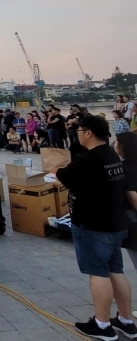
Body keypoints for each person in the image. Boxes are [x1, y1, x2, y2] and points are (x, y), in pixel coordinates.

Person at [56, 116, 133, 340]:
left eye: (79, 130)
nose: (77, 134)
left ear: (88, 133)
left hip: (94, 226)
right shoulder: (111, 155)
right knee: (115, 271)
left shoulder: (89, 158)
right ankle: (126, 320)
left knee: (98, 273)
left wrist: (57, 169)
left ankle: (102, 325)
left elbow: (64, 175)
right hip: (115, 223)